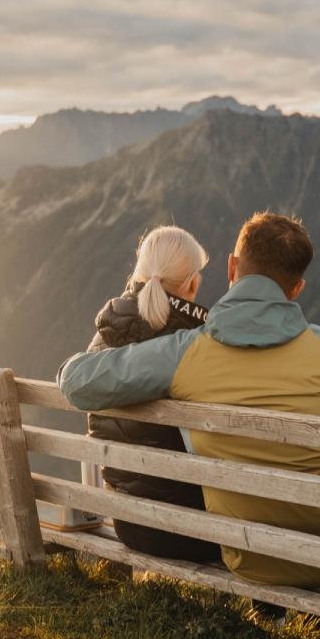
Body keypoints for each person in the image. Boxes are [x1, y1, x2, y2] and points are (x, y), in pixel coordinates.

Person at [59, 212, 320, 587]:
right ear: (296, 289)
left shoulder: (186, 353)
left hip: (248, 556)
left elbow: (76, 381)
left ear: (231, 267)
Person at [83, 226, 222, 563]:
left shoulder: (102, 340)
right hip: (194, 532)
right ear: (192, 283)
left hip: (128, 524)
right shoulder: (195, 345)